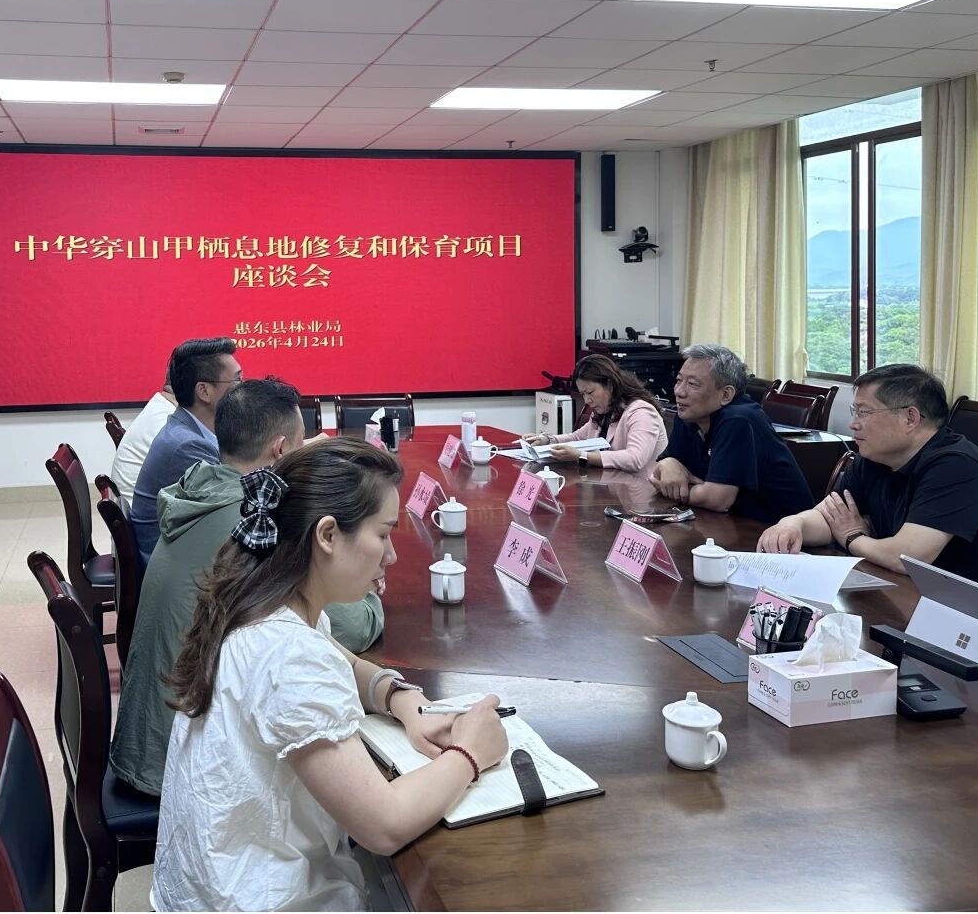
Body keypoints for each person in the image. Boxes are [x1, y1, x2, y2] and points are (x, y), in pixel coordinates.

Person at [151, 439, 509, 911]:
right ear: (327, 535)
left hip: (213, 886)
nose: (391, 556)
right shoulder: (289, 653)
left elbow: (349, 664)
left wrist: (402, 699)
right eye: (383, 535)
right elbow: (384, 825)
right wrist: (470, 752)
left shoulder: (264, 596)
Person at [111, 379, 387, 797]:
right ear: (281, 450)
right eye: (301, 447)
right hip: (175, 770)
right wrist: (367, 578)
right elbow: (355, 627)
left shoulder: (203, 487)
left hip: (151, 740)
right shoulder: (256, 523)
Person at [758, 364, 978, 632]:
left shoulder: (957, 466)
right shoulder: (875, 457)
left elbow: (905, 557)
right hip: (933, 608)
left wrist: (853, 537)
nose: (853, 423)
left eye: (864, 412)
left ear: (910, 418)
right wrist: (793, 525)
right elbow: (831, 517)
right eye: (855, 412)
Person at [651, 344, 813, 521]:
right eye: (678, 380)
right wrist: (669, 462)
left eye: (692, 384)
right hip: (726, 523)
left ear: (726, 395)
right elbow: (658, 474)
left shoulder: (739, 419)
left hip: (779, 529)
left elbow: (718, 500)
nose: (679, 391)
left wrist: (675, 491)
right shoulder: (689, 415)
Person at [132, 337, 241, 565]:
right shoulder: (188, 446)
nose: (243, 389)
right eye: (237, 380)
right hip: (173, 565)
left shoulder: (191, 429)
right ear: (204, 391)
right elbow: (233, 510)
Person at [522, 354, 667, 472]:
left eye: (590, 392)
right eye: (583, 394)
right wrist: (547, 440)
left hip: (640, 491)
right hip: (611, 486)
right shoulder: (605, 410)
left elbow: (635, 459)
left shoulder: (641, 412)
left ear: (609, 384)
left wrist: (582, 456)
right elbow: (577, 437)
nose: (587, 400)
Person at [109, 375, 177, 507]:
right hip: (142, 512)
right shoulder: (168, 424)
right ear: (202, 390)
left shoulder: (160, 406)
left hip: (133, 505)